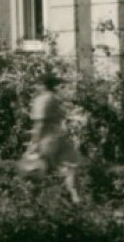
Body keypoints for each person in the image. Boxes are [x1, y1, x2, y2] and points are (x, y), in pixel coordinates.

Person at [20, 68, 82, 203]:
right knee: (69, 167)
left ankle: (33, 201)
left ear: (42, 85)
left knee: (35, 169)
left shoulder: (41, 100)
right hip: (60, 136)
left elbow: (40, 123)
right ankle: (75, 198)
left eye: (37, 84)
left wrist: (34, 142)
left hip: (47, 139)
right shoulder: (54, 98)